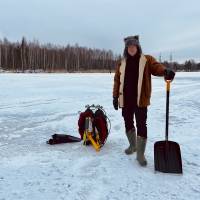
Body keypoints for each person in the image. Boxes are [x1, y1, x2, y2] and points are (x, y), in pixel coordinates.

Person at [112, 35, 175, 166]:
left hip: (140, 99)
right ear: (126, 48)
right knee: (127, 121)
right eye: (129, 46)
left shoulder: (146, 59)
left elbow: (156, 67)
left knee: (141, 124)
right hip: (125, 99)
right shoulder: (121, 63)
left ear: (138, 46)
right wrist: (115, 96)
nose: (131, 48)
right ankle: (133, 146)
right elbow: (117, 81)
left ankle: (140, 154)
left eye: (133, 46)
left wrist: (165, 71)